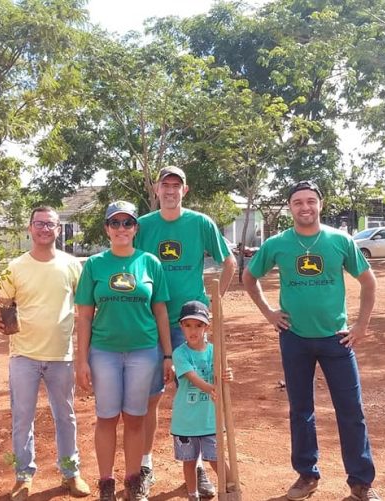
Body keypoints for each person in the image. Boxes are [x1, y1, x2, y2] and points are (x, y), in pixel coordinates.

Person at [243, 180, 380, 501]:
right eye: (297, 202)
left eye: (310, 201)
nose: (304, 207)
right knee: (300, 410)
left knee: (351, 411)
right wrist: (269, 313)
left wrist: (361, 325)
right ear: (290, 207)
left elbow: (368, 281)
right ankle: (307, 475)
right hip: (295, 339)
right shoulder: (277, 244)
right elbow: (249, 277)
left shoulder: (340, 240)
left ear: (320, 204)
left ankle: (361, 482)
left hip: (337, 340)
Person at [133, 165, 236, 498]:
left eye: (176, 185)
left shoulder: (201, 223)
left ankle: (200, 467)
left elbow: (229, 261)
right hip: (149, 321)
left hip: (189, 323)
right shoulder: (143, 226)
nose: (170, 190)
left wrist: (212, 305)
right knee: (150, 397)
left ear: (185, 190)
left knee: (195, 394)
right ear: (156, 189)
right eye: (165, 185)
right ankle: (146, 466)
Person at [74, 200, 172, 501]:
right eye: (115, 223)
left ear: (135, 228)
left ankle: (133, 482)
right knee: (106, 418)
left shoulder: (150, 263)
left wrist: (168, 355)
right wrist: (81, 360)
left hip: (144, 352)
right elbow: (84, 316)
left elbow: (161, 312)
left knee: (135, 418)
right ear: (107, 228)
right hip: (104, 352)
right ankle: (106, 483)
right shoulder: (94, 265)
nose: (121, 228)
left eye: (127, 222)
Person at [0, 206, 90, 501]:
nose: (44, 229)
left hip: (61, 355)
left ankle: (70, 472)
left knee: (66, 416)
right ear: (30, 228)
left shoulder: (72, 265)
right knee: (23, 418)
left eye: (50, 224)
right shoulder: (14, 267)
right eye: (39, 223)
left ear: (59, 229)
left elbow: (85, 307)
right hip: (23, 355)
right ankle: (23, 476)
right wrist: (0, 318)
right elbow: (2, 305)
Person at [171, 301, 234, 501]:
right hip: (186, 421)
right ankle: (193, 495)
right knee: (189, 461)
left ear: (206, 327)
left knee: (216, 458)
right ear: (181, 326)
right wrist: (212, 388)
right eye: (188, 325)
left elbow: (221, 373)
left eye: (198, 325)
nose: (193, 330)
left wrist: (227, 376)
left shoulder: (215, 351)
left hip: (210, 419)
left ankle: (232, 489)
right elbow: (192, 377)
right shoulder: (180, 353)